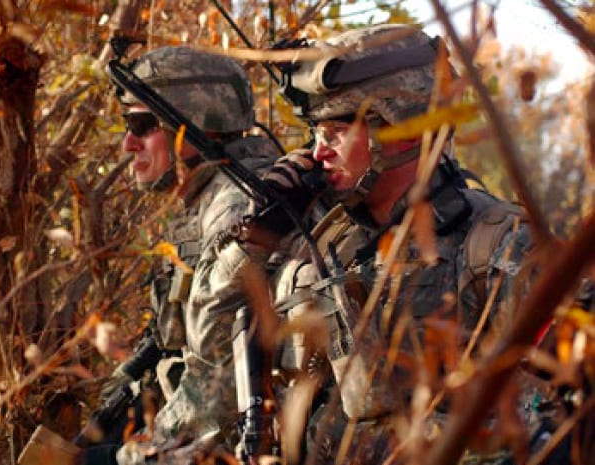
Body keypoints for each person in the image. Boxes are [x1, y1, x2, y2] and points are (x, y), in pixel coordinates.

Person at [255, 24, 569, 464]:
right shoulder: (318, 252)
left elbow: (560, 424)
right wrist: (254, 237)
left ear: (401, 130)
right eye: (315, 134)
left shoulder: (500, 246)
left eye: (335, 132)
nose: (317, 152)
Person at [91, 46, 285, 465]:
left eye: (142, 125)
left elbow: (218, 391)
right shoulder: (207, 198)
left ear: (199, 127)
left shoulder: (237, 209)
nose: (128, 144)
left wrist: (118, 458)